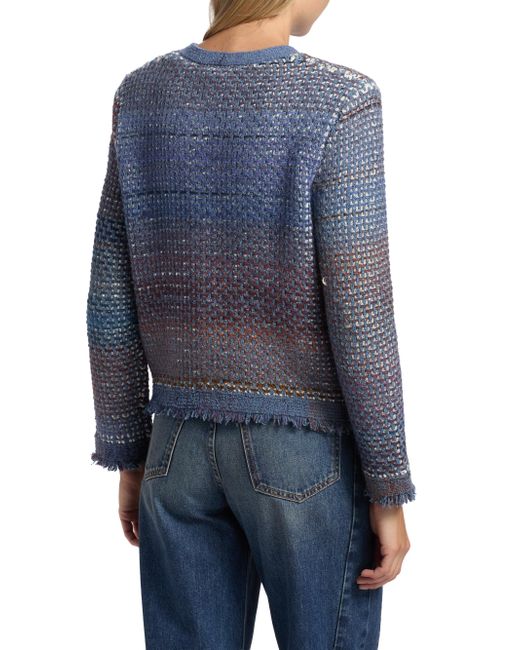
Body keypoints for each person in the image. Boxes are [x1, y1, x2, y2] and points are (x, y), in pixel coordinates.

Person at [86, 1, 417, 647]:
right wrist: (388, 487)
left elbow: (110, 298)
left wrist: (130, 453)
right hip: (305, 453)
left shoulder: (142, 95)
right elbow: (362, 310)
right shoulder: (340, 101)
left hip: (176, 447)